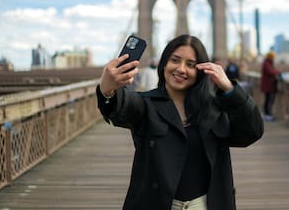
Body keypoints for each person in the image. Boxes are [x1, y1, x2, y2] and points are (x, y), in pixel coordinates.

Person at [97, 34, 264, 210]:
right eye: (175, 60)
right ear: (164, 64)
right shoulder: (144, 104)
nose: (181, 69)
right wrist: (107, 89)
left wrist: (230, 89)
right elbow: (118, 107)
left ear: (201, 70)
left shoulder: (214, 108)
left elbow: (251, 131)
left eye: (190, 65)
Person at [260, 51, 281, 122]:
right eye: (273, 57)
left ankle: (268, 115)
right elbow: (270, 71)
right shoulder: (267, 63)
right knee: (269, 101)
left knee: (268, 100)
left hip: (269, 86)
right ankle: (268, 115)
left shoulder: (267, 63)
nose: (274, 59)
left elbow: (271, 70)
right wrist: (278, 71)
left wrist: (276, 71)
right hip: (268, 86)